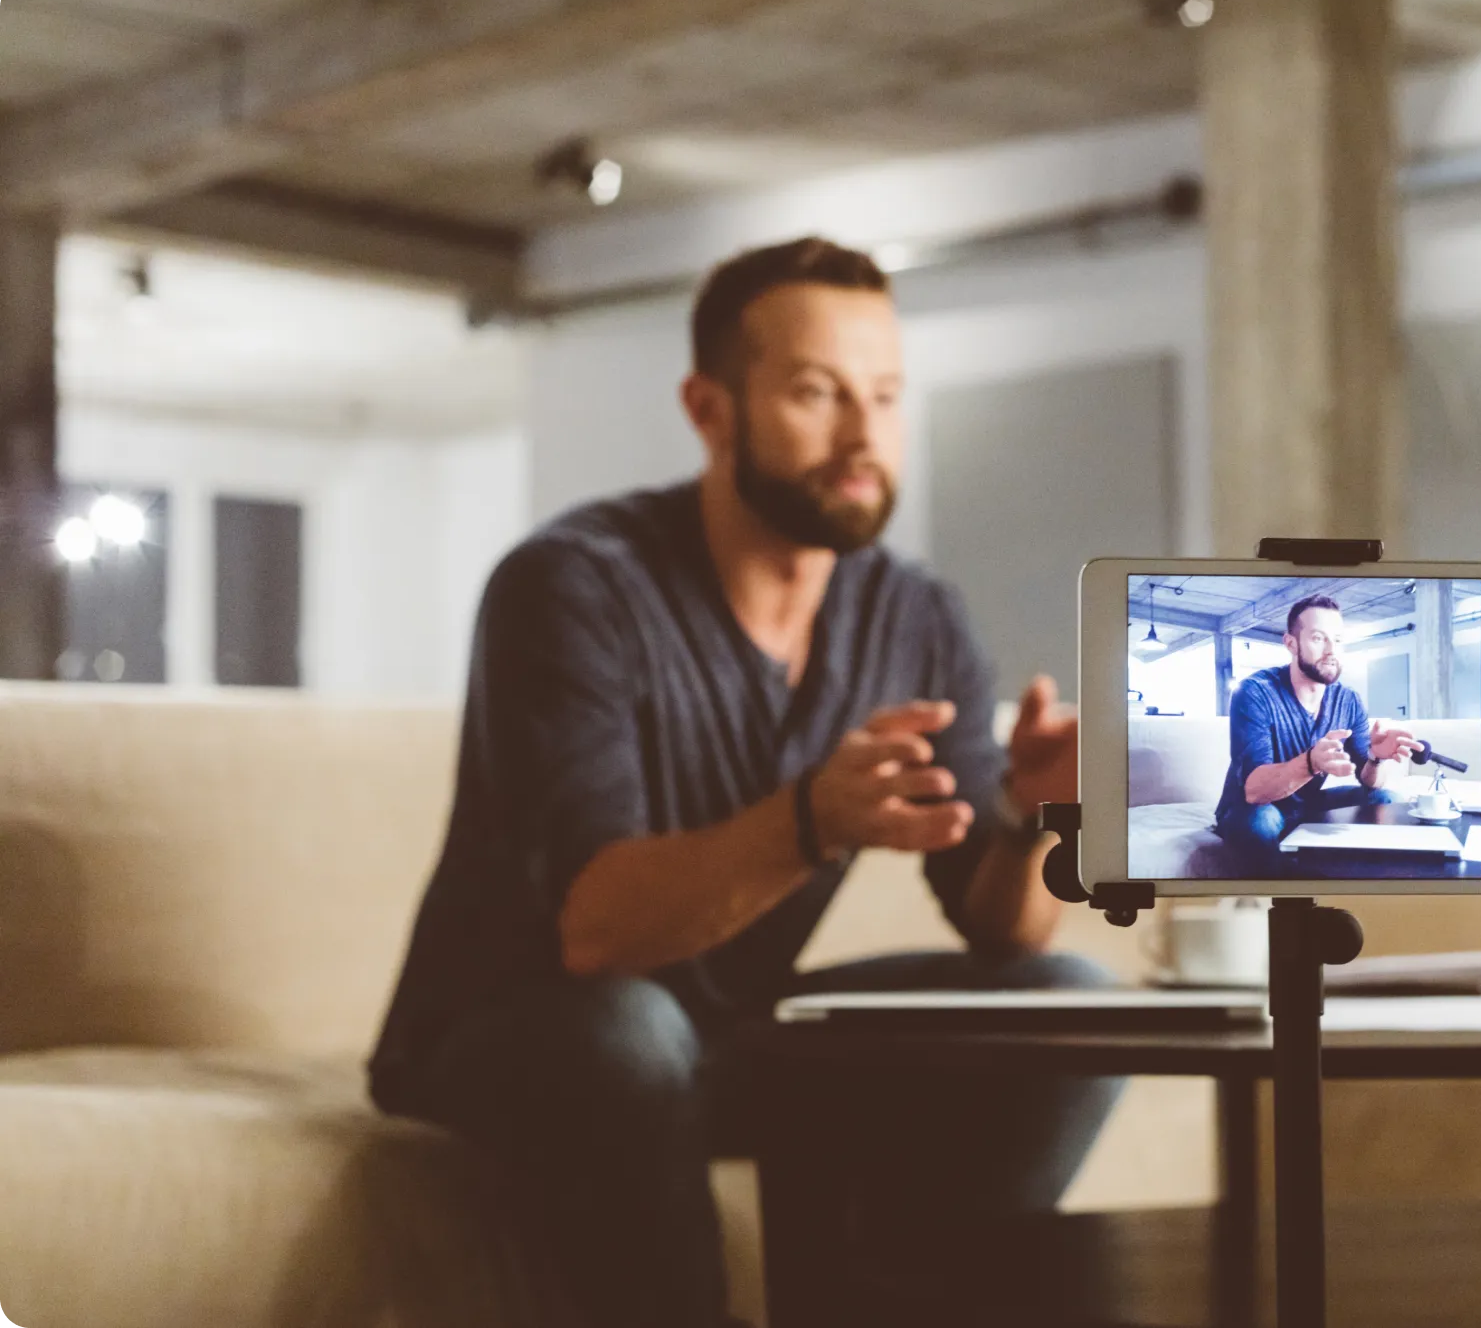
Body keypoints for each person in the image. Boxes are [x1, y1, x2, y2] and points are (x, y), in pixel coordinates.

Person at [366, 237, 1120, 1328]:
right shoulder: (571, 587)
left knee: (1070, 1007)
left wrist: (1028, 814)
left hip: (733, 1033)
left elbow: (1004, 932)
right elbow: (595, 935)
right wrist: (812, 818)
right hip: (513, 1037)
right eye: (817, 394)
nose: (864, 435)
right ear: (710, 408)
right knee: (627, 1030)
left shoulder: (915, 615)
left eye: (886, 396)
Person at [1214, 595, 1419, 868]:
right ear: (1291, 643)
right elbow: (1254, 791)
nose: (1331, 650)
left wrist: (1375, 757)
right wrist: (1311, 763)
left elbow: (1370, 781)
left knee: (1388, 799)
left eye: (1337, 640)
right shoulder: (1255, 692)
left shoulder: (1348, 700)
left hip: (1308, 804)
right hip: (1253, 808)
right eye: (1318, 638)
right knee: (1259, 822)